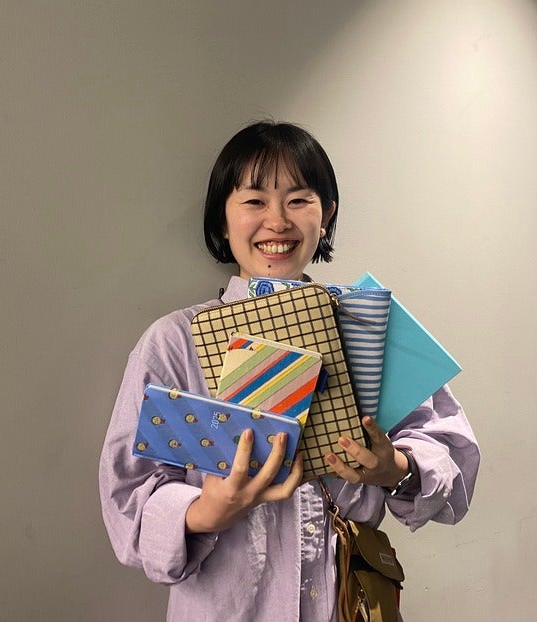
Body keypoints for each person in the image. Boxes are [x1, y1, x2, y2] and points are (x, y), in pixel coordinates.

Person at [99, 120, 480, 621]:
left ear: (327, 215)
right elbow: (128, 496)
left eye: (299, 200)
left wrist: (398, 469)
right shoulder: (174, 342)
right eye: (254, 201)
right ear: (222, 220)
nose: (277, 221)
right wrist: (207, 511)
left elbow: (453, 459)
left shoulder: (370, 327)